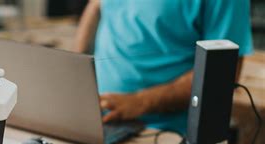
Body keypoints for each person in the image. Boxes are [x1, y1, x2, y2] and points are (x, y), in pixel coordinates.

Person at [74, 0, 254, 134]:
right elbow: (96, 5)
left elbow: (220, 74)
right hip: (93, 119)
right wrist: (76, 69)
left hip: (162, 135)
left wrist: (140, 101)